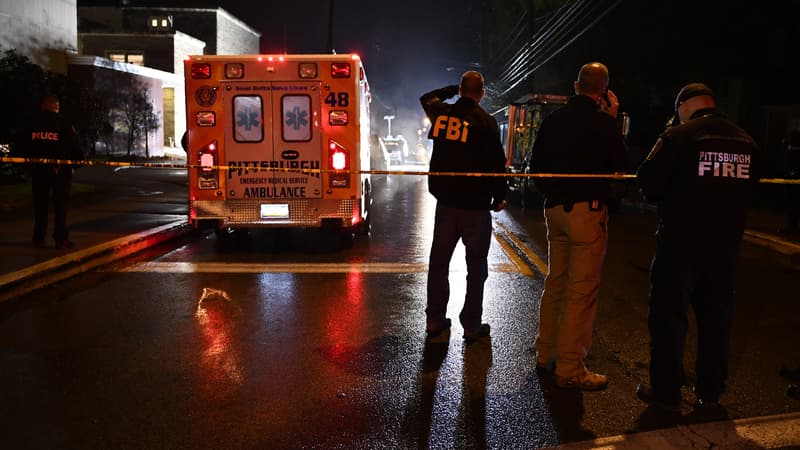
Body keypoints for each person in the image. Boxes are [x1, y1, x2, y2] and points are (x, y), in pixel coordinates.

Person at [635, 83, 759, 419]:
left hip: (681, 247)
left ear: (684, 106)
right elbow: (752, 193)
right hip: (725, 250)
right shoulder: (745, 141)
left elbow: (647, 182)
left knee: (668, 319)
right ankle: (709, 396)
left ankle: (666, 396)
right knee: (717, 321)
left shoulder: (679, 136)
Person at [529, 62, 628, 390]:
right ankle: (570, 367)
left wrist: (554, 195)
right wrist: (612, 120)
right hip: (587, 212)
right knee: (581, 290)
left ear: (575, 85)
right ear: (604, 91)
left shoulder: (552, 120)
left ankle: (546, 353)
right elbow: (621, 164)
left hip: (554, 211)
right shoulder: (603, 123)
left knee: (556, 281)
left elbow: (535, 168)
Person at [420, 71, 508, 342]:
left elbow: (426, 98)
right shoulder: (486, 122)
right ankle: (471, 325)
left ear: (460, 90)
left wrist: (452, 91)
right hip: (475, 208)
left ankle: (435, 319)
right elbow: (496, 164)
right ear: (481, 93)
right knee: (476, 268)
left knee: (439, 265)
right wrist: (499, 196)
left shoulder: (442, 114)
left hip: (446, 206)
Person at [19, 94, 83, 249]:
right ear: (56, 107)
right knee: (60, 206)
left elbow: (21, 144)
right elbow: (76, 148)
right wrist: (75, 165)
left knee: (40, 205)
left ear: (42, 106)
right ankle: (60, 239)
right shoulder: (64, 123)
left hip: (38, 170)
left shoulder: (30, 123)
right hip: (60, 171)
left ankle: (38, 238)